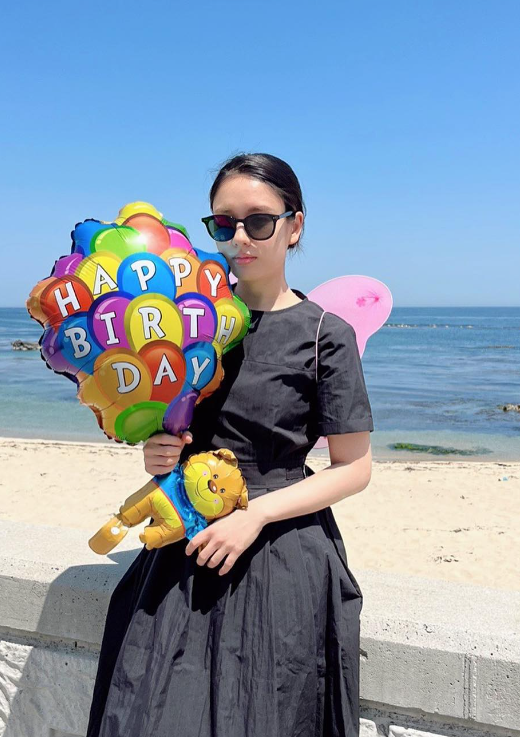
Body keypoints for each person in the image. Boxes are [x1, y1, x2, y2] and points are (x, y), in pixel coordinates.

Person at [86, 152, 374, 737]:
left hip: (281, 550)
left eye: (259, 221)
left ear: (294, 227)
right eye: (224, 223)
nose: (240, 238)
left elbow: (354, 467)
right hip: (185, 543)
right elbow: (172, 421)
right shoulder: (191, 320)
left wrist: (255, 516)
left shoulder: (325, 334)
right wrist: (159, 451)